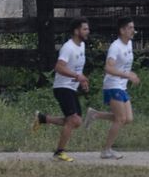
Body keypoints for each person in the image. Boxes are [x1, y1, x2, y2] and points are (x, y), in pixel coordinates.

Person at [31, 17, 110, 162]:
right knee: (73, 120)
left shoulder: (81, 46)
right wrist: (77, 76)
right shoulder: (68, 47)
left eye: (87, 28)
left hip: (71, 87)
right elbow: (59, 67)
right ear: (76, 31)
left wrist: (82, 80)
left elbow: (76, 68)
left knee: (77, 121)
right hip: (62, 87)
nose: (88, 31)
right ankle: (59, 153)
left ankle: (42, 118)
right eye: (85, 29)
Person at [99, 17, 139, 159]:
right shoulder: (115, 47)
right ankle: (106, 151)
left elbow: (124, 66)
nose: (132, 30)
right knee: (120, 119)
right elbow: (108, 68)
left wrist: (130, 75)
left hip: (122, 86)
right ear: (121, 30)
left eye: (133, 27)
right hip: (112, 85)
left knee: (128, 119)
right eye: (129, 28)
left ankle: (95, 115)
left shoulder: (129, 44)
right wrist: (127, 75)